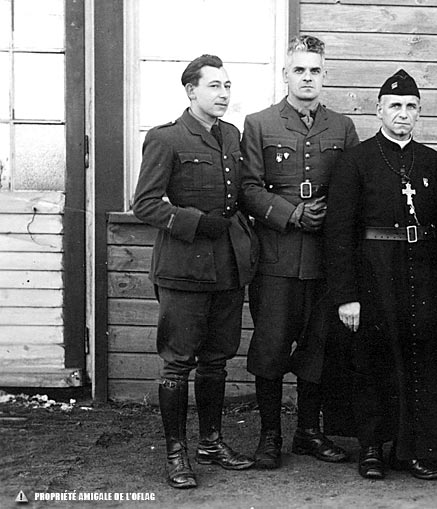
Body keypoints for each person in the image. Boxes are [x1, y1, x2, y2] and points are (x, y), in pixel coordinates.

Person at [324, 69, 437, 481]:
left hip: (422, 272)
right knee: (372, 359)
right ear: (379, 110)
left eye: (411, 107)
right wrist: (346, 295)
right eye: (395, 106)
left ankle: (415, 450)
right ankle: (371, 447)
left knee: (421, 360)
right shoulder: (357, 160)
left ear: (419, 112)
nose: (403, 113)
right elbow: (339, 232)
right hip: (374, 274)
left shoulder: (429, 160)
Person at [132, 54, 257, 489]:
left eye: (227, 86)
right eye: (214, 86)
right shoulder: (166, 138)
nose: (224, 94)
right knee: (177, 364)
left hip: (227, 267)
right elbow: (145, 204)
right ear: (191, 91)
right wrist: (195, 223)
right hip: (183, 269)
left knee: (216, 360)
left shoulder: (231, 135)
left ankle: (211, 442)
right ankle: (175, 453)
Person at [239, 35, 359, 470]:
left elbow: (354, 187)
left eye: (315, 71)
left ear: (325, 76)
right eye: (299, 70)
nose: (307, 78)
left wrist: (333, 217)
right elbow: (247, 188)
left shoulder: (342, 128)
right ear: (285, 74)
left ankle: (309, 432)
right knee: (271, 349)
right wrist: (291, 214)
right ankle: (270, 435)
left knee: (318, 349)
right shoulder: (259, 124)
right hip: (276, 258)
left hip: (325, 260)